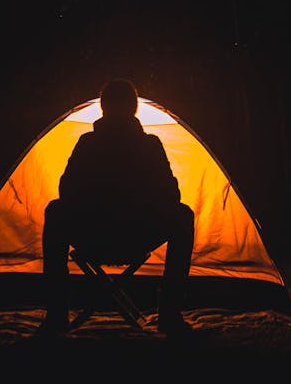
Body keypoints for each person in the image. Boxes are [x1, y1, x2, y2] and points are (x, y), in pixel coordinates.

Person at [38, 78, 195, 336]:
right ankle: (169, 313)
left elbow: (65, 192)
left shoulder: (87, 144)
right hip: (138, 237)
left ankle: (56, 314)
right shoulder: (151, 145)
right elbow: (172, 196)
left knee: (55, 211)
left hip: (92, 238)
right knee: (183, 215)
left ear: (103, 108)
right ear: (134, 109)